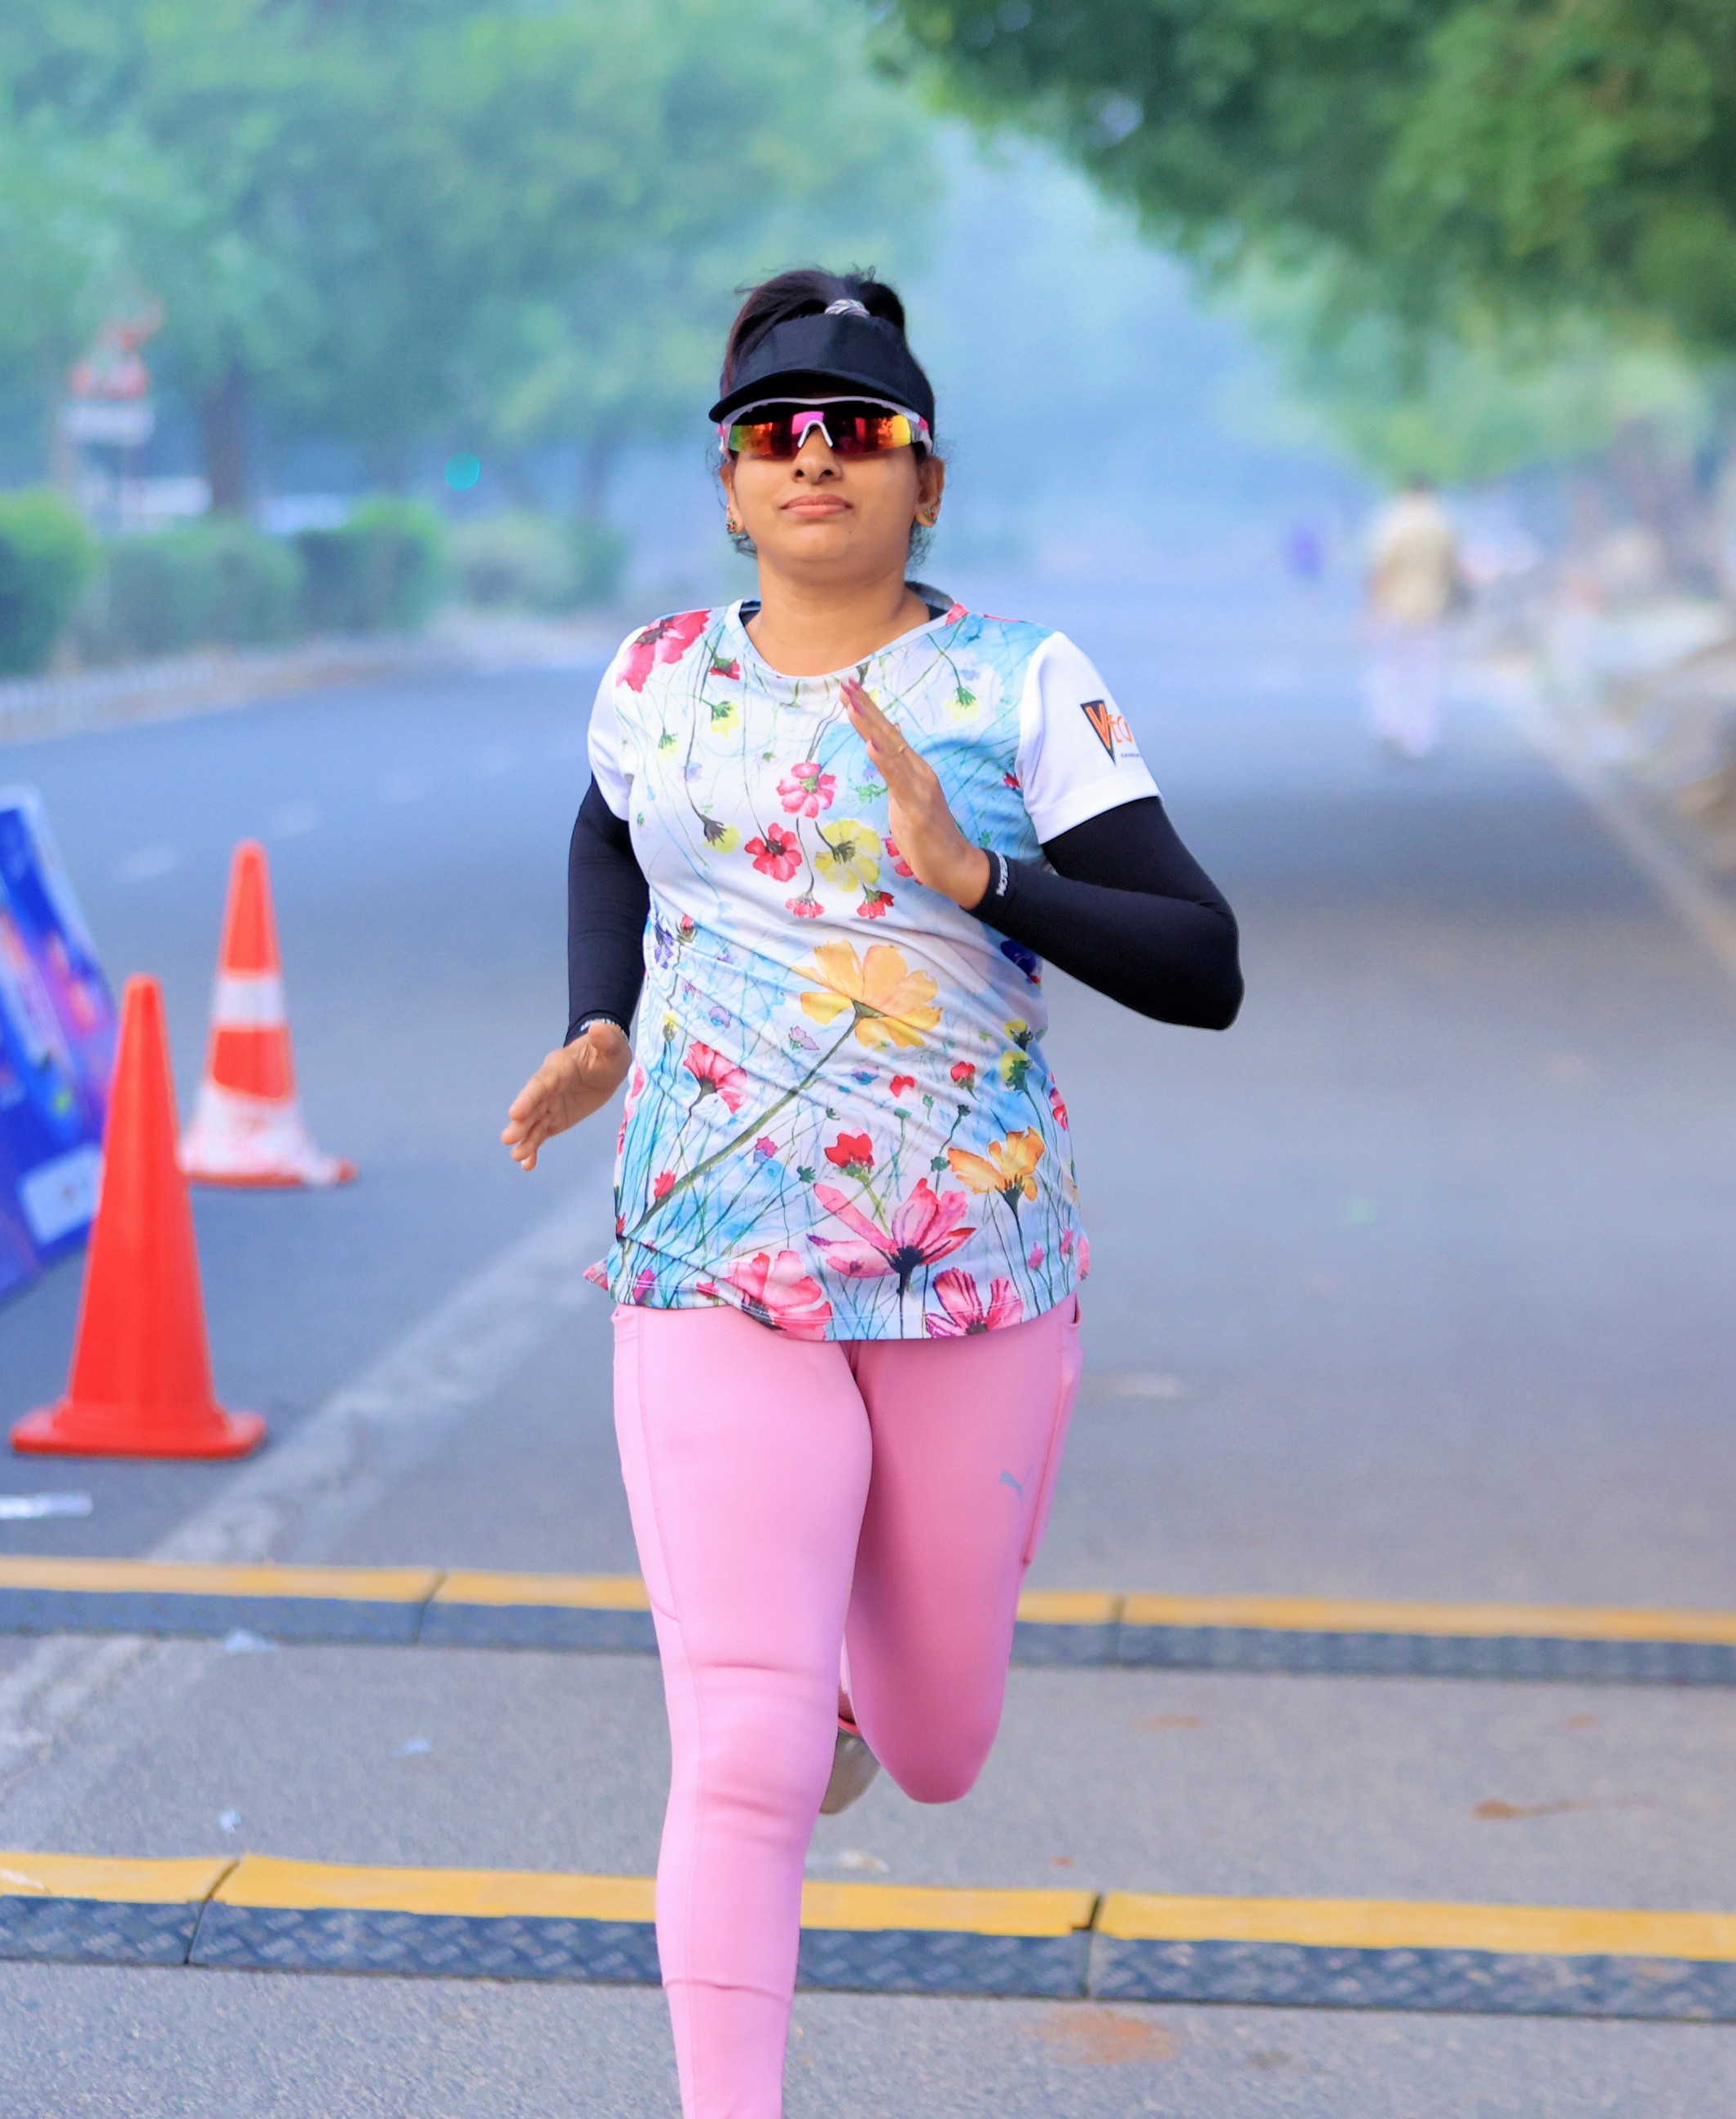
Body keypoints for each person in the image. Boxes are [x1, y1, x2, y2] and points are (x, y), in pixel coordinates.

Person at [500, 271, 1241, 2118]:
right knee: (740, 1752)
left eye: (860, 429)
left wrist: (986, 879)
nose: (814, 456)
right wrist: (599, 1022)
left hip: (970, 1270)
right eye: (774, 432)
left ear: (927, 480)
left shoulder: (1020, 683)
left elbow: (1202, 959)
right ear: (731, 487)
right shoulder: (657, 676)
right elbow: (607, 826)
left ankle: (862, 1690)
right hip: (705, 1254)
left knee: (938, 1742)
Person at [1366, 473, 1464, 760]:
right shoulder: (1443, 522)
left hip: (1395, 605)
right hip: (1433, 605)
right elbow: (1452, 569)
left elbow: (1382, 566)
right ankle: (1421, 738)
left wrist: (1373, 607)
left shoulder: (1394, 521)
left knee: (1392, 669)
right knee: (1427, 674)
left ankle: (1392, 724)